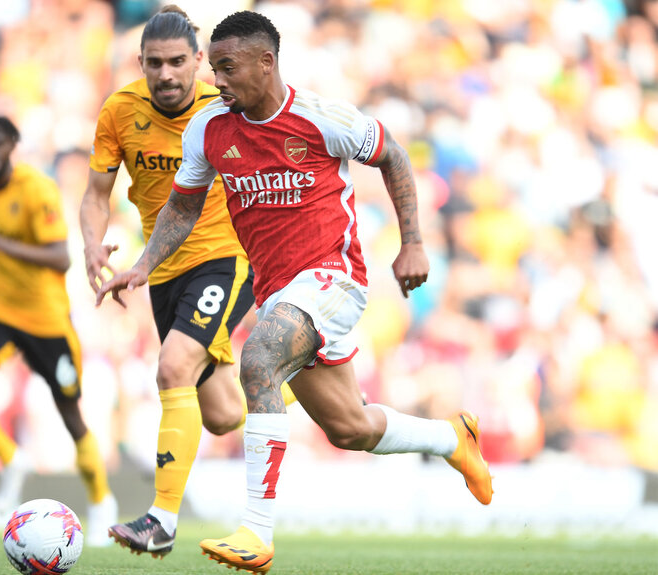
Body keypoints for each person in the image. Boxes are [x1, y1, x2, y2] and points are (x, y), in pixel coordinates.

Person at [97, 10, 493, 574]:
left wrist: (412, 243)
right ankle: (451, 439)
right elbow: (182, 206)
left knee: (257, 358)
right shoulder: (209, 130)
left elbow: (393, 156)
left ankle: (256, 532)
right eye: (214, 68)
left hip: (335, 277)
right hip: (280, 289)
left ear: (267, 62)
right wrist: (142, 265)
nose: (217, 81)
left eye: (227, 68)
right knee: (348, 427)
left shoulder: (320, 118)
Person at [79, 5, 296, 558]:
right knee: (223, 415)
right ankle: (299, 389)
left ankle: (162, 520)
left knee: (173, 365)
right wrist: (90, 242)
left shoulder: (226, 105)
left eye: (178, 62)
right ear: (141, 63)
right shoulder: (119, 111)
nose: (167, 74)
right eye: (155, 63)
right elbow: (95, 195)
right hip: (159, 269)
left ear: (199, 61)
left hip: (228, 257)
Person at [0, 114, 117, 547]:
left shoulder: (37, 188)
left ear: (13, 145)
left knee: (70, 415)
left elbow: (60, 258)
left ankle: (101, 501)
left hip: (46, 319)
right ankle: (12, 459)